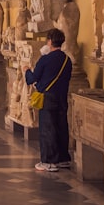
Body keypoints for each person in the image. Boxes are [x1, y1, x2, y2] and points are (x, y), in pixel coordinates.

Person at [24, 28, 72, 172]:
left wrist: (26, 70)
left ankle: (49, 161)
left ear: (50, 41)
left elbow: (32, 79)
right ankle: (63, 158)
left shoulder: (45, 59)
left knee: (48, 129)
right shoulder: (66, 60)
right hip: (62, 98)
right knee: (62, 127)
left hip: (48, 98)